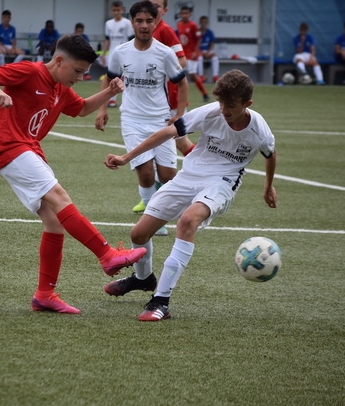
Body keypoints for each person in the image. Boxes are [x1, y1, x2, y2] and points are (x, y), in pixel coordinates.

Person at [0, 34, 147, 314]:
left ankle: (44, 295)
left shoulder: (60, 88)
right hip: (9, 145)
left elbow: (81, 109)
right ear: (58, 60)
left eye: (84, 73)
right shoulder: (30, 71)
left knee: (54, 221)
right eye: (77, 71)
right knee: (59, 195)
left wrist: (109, 92)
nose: (80, 78)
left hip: (28, 148)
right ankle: (107, 254)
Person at [103, 69, 278, 321]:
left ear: (247, 104)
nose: (224, 110)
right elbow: (168, 132)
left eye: (230, 105)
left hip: (221, 183)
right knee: (138, 234)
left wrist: (268, 186)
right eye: (221, 103)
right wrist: (126, 157)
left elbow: (270, 155)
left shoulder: (259, 130)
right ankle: (143, 279)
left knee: (187, 222)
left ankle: (161, 301)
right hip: (188, 177)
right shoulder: (211, 112)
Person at [95, 0, 189, 237]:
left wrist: (179, 114)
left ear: (156, 22)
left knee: (167, 176)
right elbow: (109, 80)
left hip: (160, 120)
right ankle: (152, 216)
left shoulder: (165, 53)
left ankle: (168, 209)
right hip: (132, 119)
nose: (144, 25)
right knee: (146, 173)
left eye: (149, 21)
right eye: (139, 21)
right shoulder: (121, 52)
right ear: (132, 23)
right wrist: (102, 109)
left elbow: (182, 82)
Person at [130, 0, 195, 221]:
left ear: (164, 10)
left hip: (169, 101)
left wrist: (163, 72)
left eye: (156, 6)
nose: (152, 9)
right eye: (148, 3)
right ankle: (151, 196)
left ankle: (202, 174)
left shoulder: (165, 31)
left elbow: (182, 61)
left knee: (178, 144)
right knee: (160, 149)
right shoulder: (146, 29)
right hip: (153, 102)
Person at [101, 0, 132, 107]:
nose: (116, 12)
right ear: (111, 10)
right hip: (112, 53)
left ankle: (127, 100)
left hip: (125, 52)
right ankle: (111, 99)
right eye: (114, 10)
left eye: (118, 10)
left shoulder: (127, 23)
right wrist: (104, 54)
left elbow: (131, 39)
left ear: (122, 10)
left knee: (126, 76)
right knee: (111, 76)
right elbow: (107, 40)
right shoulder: (108, 24)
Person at [176, 5, 210, 102]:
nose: (185, 15)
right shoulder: (179, 24)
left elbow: (199, 39)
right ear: (180, 15)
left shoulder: (193, 25)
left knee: (192, 75)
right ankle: (177, 96)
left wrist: (195, 52)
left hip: (191, 55)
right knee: (177, 74)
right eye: (183, 13)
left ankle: (205, 94)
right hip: (183, 54)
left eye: (186, 13)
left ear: (190, 15)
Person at [197, 15, 219, 82]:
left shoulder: (210, 32)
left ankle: (215, 76)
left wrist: (209, 52)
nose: (204, 24)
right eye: (202, 22)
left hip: (207, 51)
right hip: (199, 51)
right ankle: (201, 76)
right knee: (199, 57)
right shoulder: (197, 32)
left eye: (205, 22)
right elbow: (195, 44)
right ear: (200, 23)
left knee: (215, 56)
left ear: (207, 23)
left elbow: (212, 44)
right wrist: (200, 52)